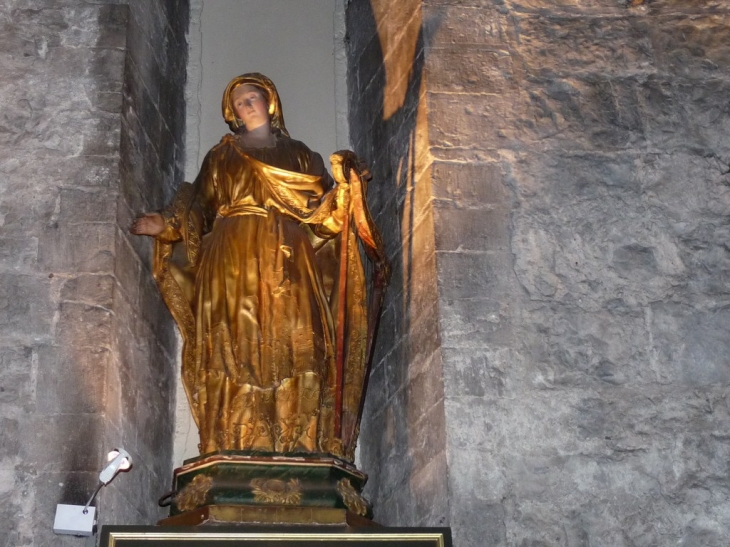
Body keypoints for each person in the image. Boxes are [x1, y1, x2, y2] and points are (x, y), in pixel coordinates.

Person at [131, 73, 386, 461]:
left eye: (251, 97)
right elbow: (198, 207)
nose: (245, 105)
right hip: (232, 256)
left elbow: (320, 217)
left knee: (296, 339)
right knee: (234, 344)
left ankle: (300, 444)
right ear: (232, 113)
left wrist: (346, 196)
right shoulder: (221, 156)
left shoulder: (301, 155)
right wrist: (166, 225)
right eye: (237, 103)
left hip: (289, 256)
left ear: (270, 101)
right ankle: (230, 441)